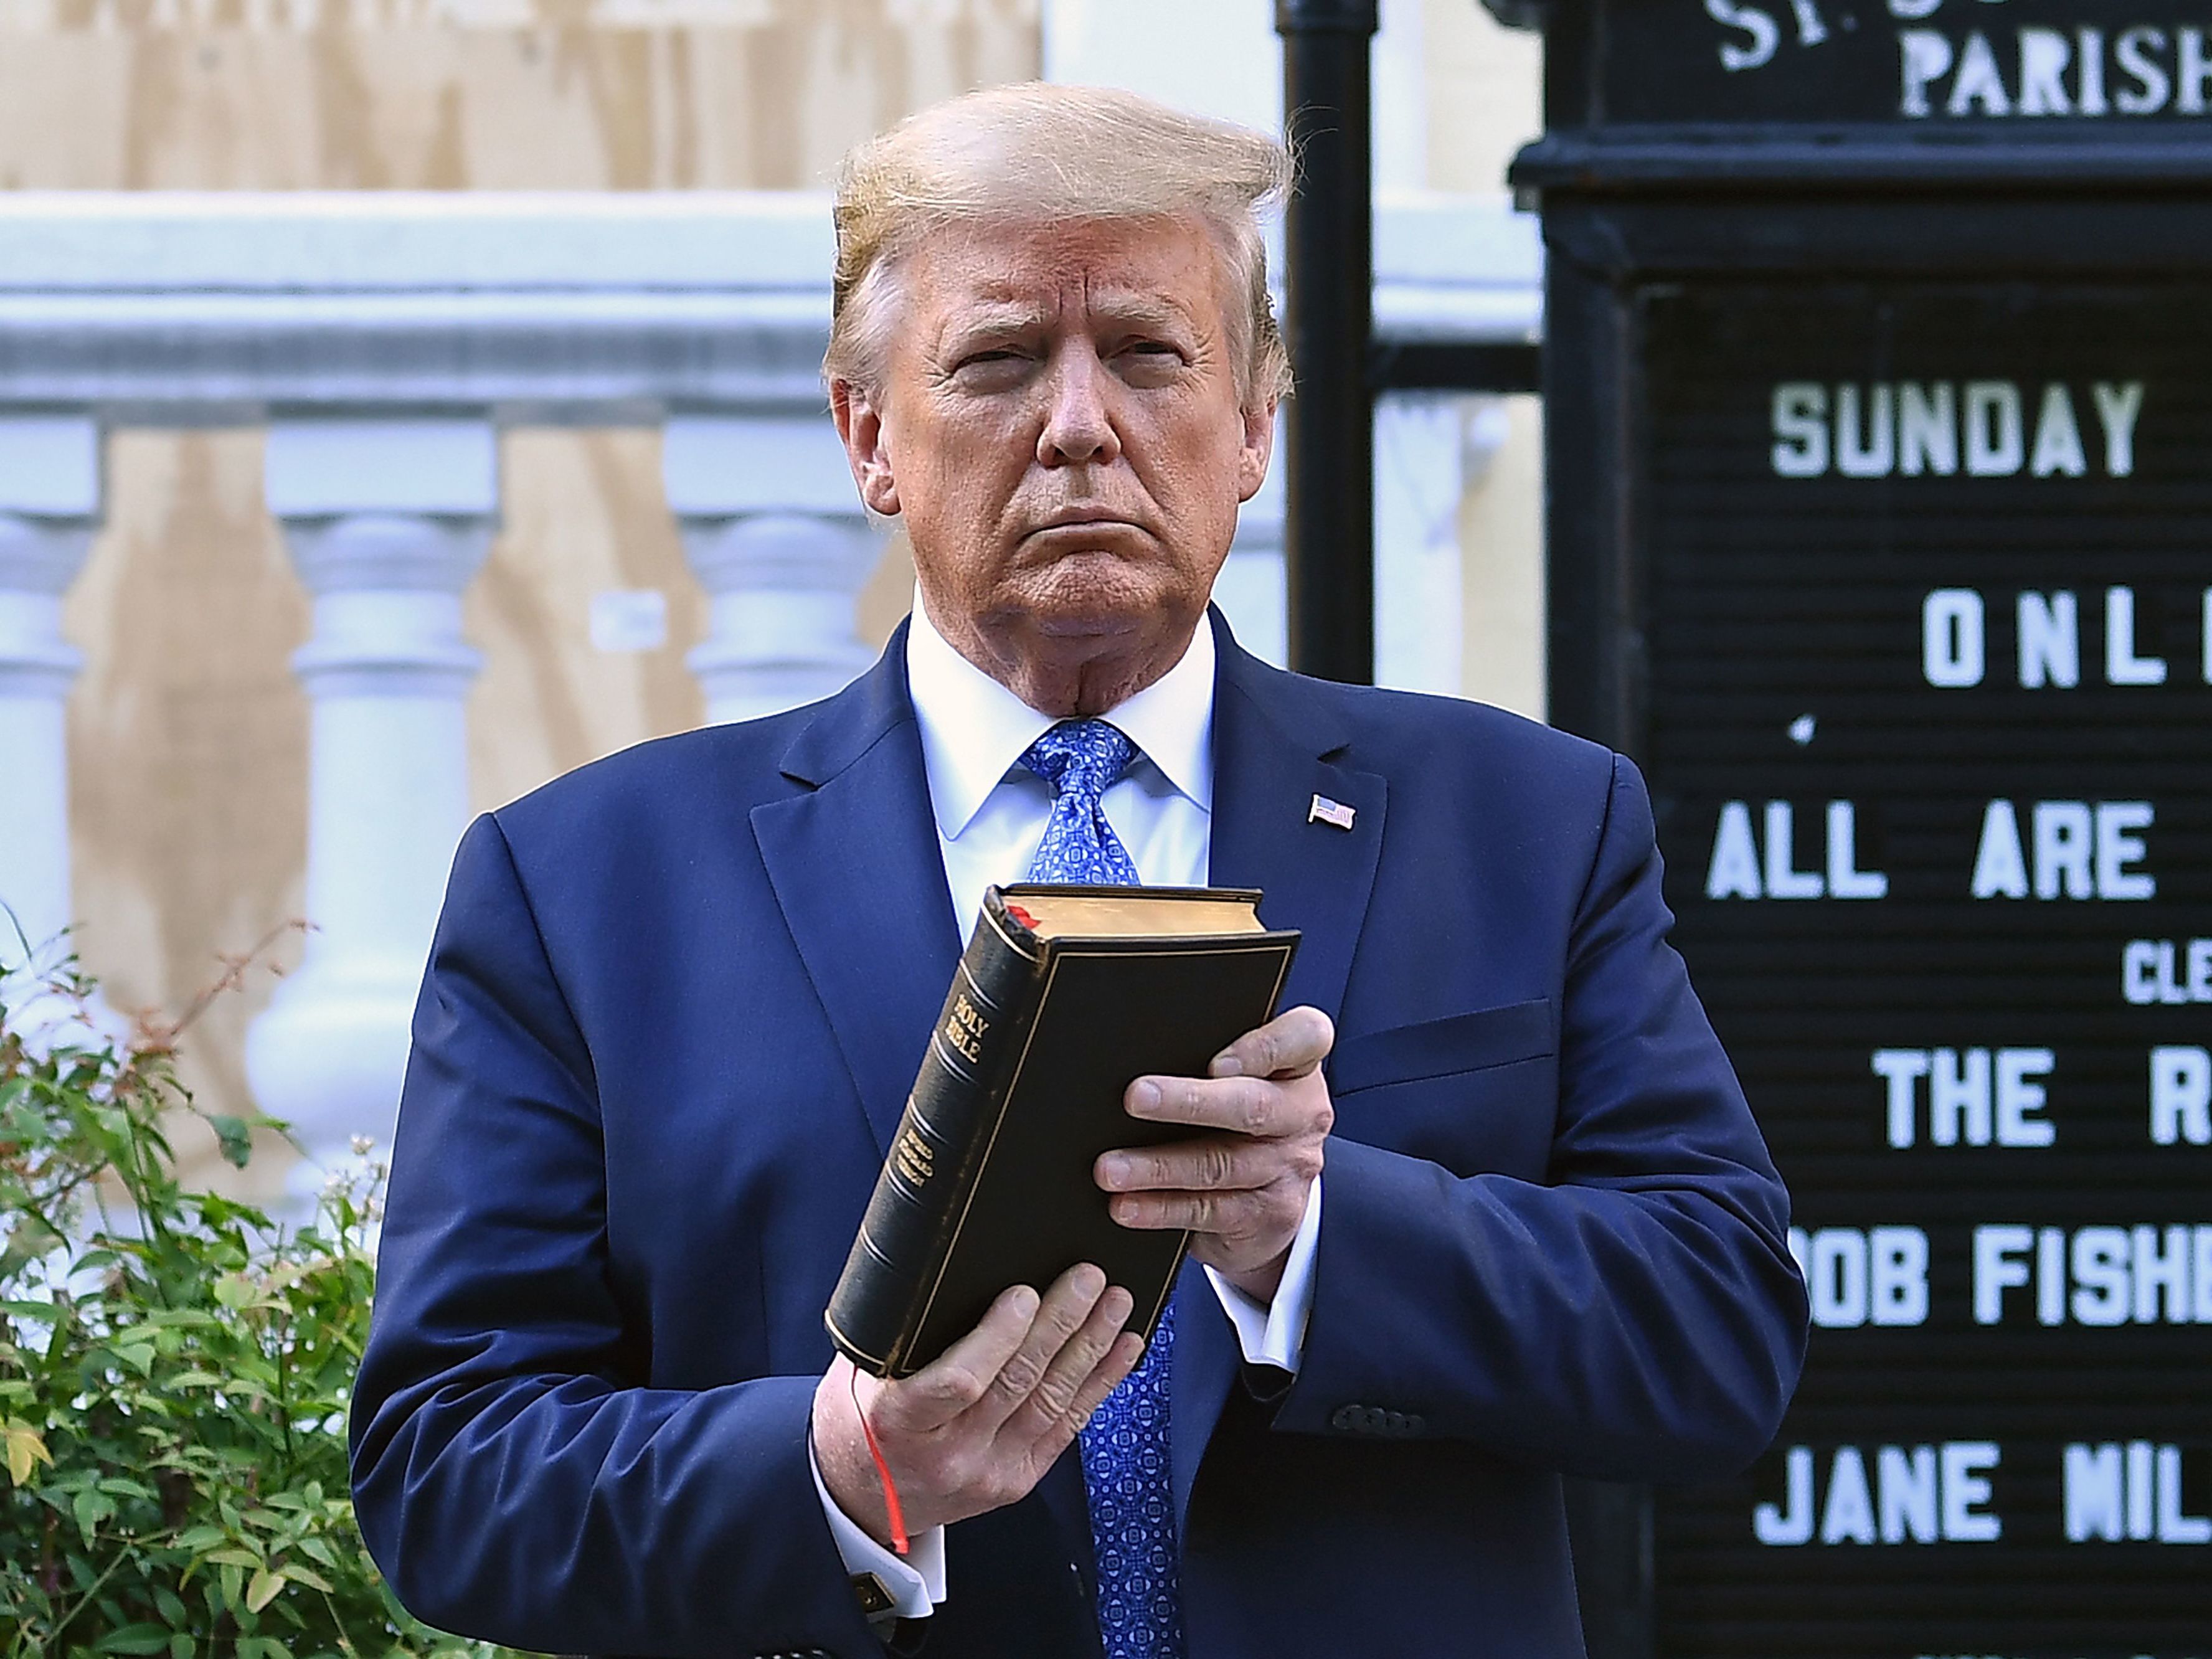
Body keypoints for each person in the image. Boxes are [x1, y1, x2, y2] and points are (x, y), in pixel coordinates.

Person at [349, 82, 1807, 1659]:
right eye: (994, 360)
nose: (1079, 425)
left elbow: (1719, 1336)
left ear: (1252, 425)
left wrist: (1313, 1233)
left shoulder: (1530, 822)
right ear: (868, 437)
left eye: (1147, 352)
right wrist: (837, 1473)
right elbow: (446, 1472)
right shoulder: (583, 890)